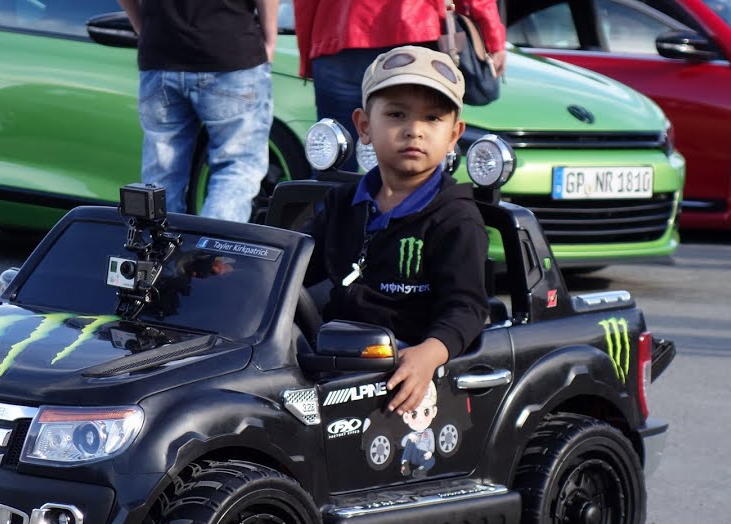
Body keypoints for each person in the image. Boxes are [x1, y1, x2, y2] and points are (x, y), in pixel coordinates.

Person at [301, 45, 490, 415]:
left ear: (455, 135)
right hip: (339, 353)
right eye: (397, 114)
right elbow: (299, 264)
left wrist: (427, 356)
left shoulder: (456, 218)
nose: (414, 130)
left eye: (433, 118)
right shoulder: (344, 203)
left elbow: (467, 308)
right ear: (364, 126)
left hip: (404, 361)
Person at [293, 0, 507, 171]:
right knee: (414, 160)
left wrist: (307, 54)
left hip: (338, 39)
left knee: (334, 158)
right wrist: (493, 39)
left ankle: (332, 224)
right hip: (413, 32)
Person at [116, 0, 278, 223]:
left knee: (161, 175)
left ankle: (157, 254)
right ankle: (212, 254)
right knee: (237, 168)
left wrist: (142, 28)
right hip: (231, 50)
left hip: (160, 53)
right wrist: (270, 38)